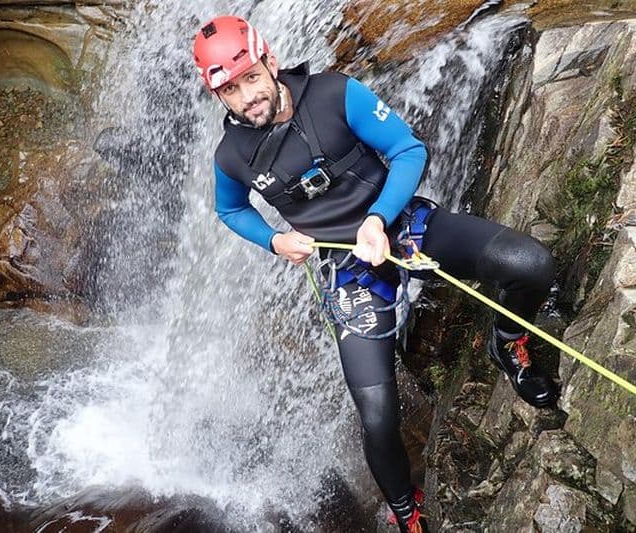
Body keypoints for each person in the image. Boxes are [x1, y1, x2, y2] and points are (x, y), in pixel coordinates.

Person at [192, 15, 558, 533]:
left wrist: (377, 219)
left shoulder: (336, 95)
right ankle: (407, 511)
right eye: (229, 89)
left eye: (250, 77)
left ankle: (507, 339)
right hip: (347, 269)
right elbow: (230, 211)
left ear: (270, 62)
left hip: (402, 224)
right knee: (378, 414)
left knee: (531, 264)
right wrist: (274, 239)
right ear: (220, 97)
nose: (246, 95)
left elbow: (408, 150)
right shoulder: (232, 156)